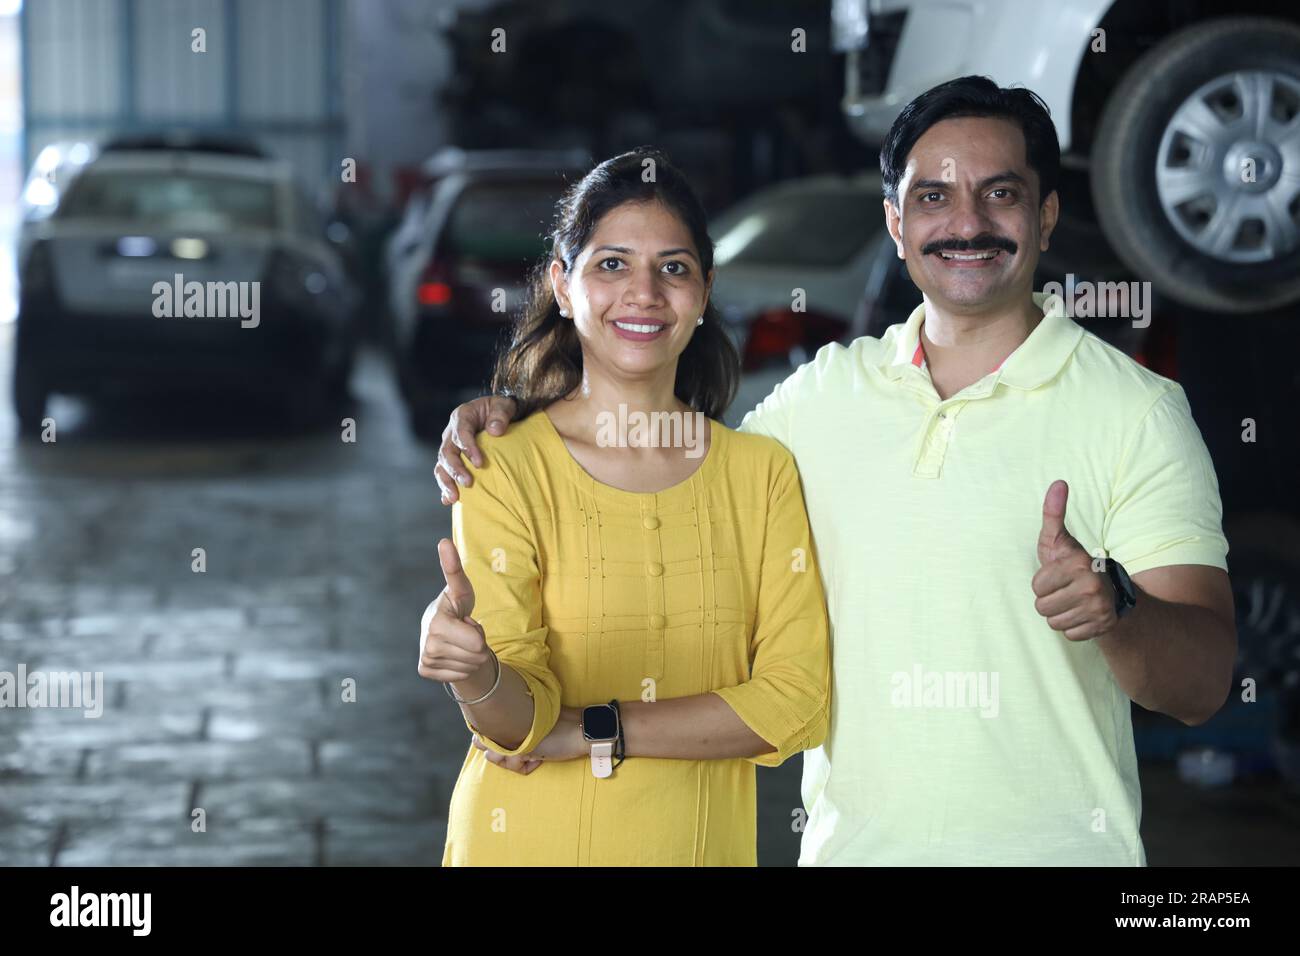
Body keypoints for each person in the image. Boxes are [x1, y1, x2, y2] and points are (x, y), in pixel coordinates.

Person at [434, 78, 1237, 866]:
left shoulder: (1139, 412)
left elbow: (1201, 684)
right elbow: (661, 468)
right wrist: (511, 416)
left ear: (1046, 215)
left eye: (1000, 194)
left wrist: (1116, 608)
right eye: (932, 197)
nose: (966, 222)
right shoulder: (821, 399)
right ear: (894, 222)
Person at [418, 148, 831, 866]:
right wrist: (477, 675)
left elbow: (796, 704)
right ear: (563, 285)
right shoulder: (504, 466)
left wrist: (595, 729)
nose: (643, 292)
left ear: (703, 294)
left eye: (673, 267)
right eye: (611, 264)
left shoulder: (761, 475)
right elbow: (515, 728)